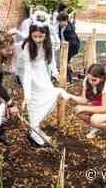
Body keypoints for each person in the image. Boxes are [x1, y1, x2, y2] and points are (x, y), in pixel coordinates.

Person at [20, 19, 68, 147]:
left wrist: (55, 72)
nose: (37, 39)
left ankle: (36, 128)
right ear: (30, 34)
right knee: (33, 103)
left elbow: (50, 60)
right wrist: (27, 94)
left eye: (41, 36)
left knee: (48, 96)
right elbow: (27, 72)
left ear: (46, 35)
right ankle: (34, 132)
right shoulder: (27, 46)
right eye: (34, 36)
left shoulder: (48, 43)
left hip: (43, 74)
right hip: (32, 77)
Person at [67, 64, 106, 139]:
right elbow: (84, 100)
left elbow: (105, 108)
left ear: (101, 78)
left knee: (95, 119)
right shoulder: (87, 81)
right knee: (77, 111)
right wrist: (68, 95)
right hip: (98, 106)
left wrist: (84, 108)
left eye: (94, 80)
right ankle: (99, 127)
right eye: (89, 79)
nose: (91, 82)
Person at [57, 12, 80, 83]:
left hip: (72, 47)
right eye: (59, 21)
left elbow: (73, 42)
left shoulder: (69, 30)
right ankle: (68, 75)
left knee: (66, 61)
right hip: (65, 46)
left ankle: (69, 79)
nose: (60, 23)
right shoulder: (61, 26)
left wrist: (66, 52)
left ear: (66, 20)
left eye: (61, 21)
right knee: (64, 61)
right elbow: (61, 36)